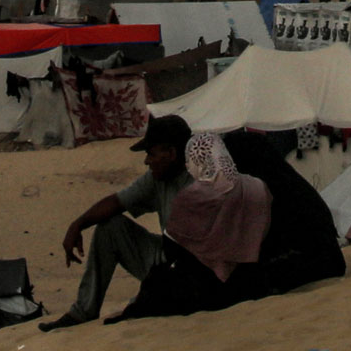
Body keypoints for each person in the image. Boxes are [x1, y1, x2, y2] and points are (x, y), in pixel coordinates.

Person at [39, 114, 194, 331]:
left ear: (171, 153)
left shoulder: (199, 184)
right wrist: (78, 224)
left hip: (190, 270)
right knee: (111, 227)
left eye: (151, 154)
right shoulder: (158, 178)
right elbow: (117, 202)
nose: (146, 161)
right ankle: (83, 311)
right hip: (166, 258)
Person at [109, 133, 273, 322]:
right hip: (251, 281)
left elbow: (173, 250)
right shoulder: (257, 186)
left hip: (208, 289)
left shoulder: (193, 197)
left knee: (159, 281)